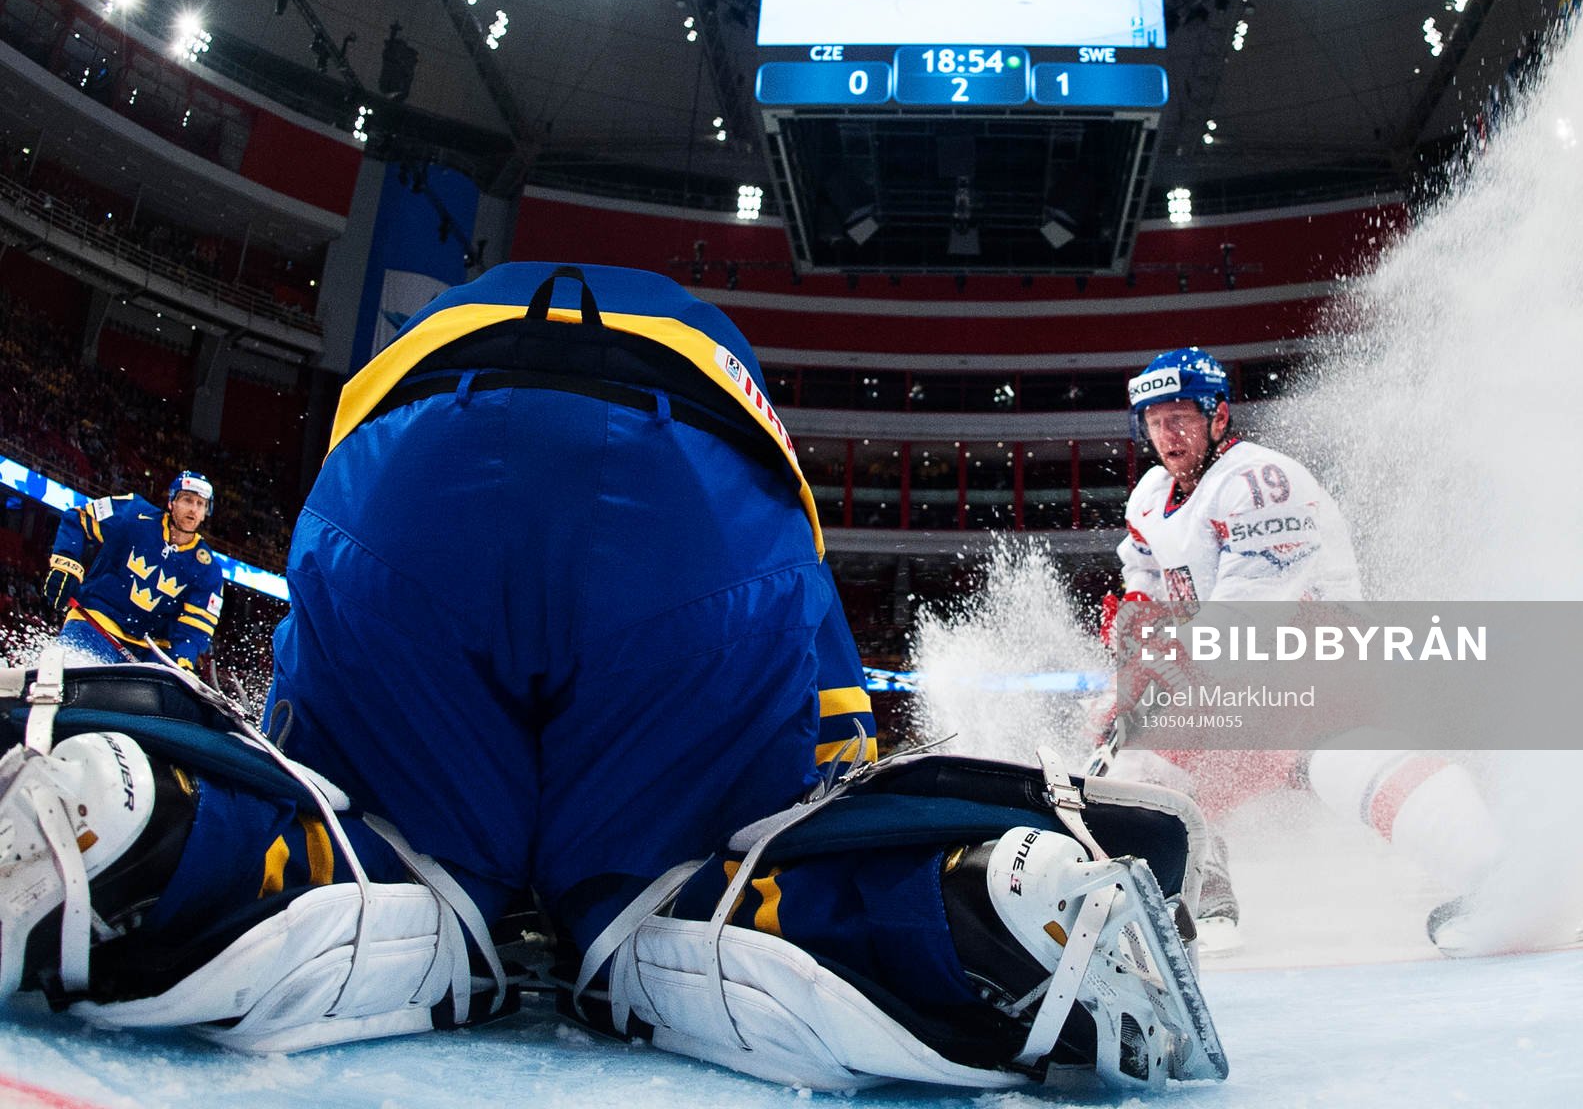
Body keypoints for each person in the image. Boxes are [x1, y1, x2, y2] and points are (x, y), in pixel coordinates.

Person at [0, 264, 1223, 1091]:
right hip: (694, 501)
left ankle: (142, 819)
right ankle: (970, 908)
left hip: (404, 470)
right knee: (680, 894)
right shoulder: (1197, 489)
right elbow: (831, 743)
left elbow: (307, 731)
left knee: (370, 844)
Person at [1099, 348, 1501, 954]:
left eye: (1180, 417)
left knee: (1341, 760)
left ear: (1218, 416)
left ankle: (1497, 879)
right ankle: (1203, 911)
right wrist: (1137, 630)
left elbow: (1251, 610)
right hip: (1230, 676)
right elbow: (1146, 576)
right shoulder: (1152, 495)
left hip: (1314, 652)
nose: (1167, 434)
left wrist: (1160, 667)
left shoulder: (1259, 481)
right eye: (1155, 422)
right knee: (1142, 775)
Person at [43, 471, 223, 673]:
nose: (193, 509)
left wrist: (182, 661)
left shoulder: (209, 570)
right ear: (171, 502)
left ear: (205, 512)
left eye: (200, 504)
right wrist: (66, 566)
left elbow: (195, 628)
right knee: (67, 676)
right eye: (187, 500)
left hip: (152, 651)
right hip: (95, 623)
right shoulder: (133, 513)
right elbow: (79, 518)